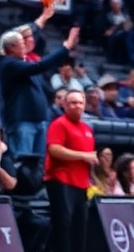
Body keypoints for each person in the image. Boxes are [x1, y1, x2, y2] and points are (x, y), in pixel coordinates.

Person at [0, 25, 79, 159]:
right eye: (21, 43)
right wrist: (65, 48)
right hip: (22, 121)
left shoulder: (25, 64)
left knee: (37, 167)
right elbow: (41, 66)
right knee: (22, 165)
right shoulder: (8, 64)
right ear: (10, 48)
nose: (25, 46)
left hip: (39, 121)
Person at [43, 89, 98, 252]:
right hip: (60, 179)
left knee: (79, 224)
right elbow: (55, 149)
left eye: (80, 102)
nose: (77, 106)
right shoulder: (59, 124)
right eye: (73, 102)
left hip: (81, 183)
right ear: (64, 105)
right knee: (63, 223)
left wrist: (92, 176)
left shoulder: (87, 128)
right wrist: (84, 156)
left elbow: (89, 158)